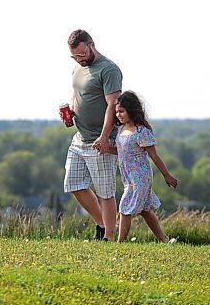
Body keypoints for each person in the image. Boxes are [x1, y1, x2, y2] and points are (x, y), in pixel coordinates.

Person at [63, 29, 123, 241]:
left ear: (91, 44)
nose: (79, 60)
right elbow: (77, 92)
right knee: (73, 184)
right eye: (75, 56)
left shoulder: (109, 69)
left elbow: (112, 105)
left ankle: (108, 237)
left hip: (101, 140)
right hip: (80, 138)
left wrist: (105, 136)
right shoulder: (77, 69)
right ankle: (103, 223)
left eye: (82, 55)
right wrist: (71, 109)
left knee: (105, 192)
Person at [111, 90, 178, 243]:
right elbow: (122, 151)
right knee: (145, 210)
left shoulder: (141, 131)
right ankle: (163, 239)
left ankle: (120, 243)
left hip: (140, 177)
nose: (119, 115)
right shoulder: (121, 130)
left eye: (121, 111)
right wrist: (105, 149)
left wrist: (167, 175)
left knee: (124, 207)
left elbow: (154, 155)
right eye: (117, 112)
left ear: (131, 110)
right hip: (128, 178)